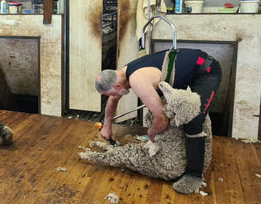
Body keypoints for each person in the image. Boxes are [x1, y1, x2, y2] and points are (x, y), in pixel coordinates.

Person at [94, 48, 221, 194]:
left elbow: (162, 119)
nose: (112, 97)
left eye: (110, 93)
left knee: (193, 120)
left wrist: (151, 132)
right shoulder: (124, 72)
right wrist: (107, 126)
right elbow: (113, 99)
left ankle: (194, 175)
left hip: (206, 71)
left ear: (116, 86)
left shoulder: (137, 80)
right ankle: (184, 153)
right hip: (192, 67)